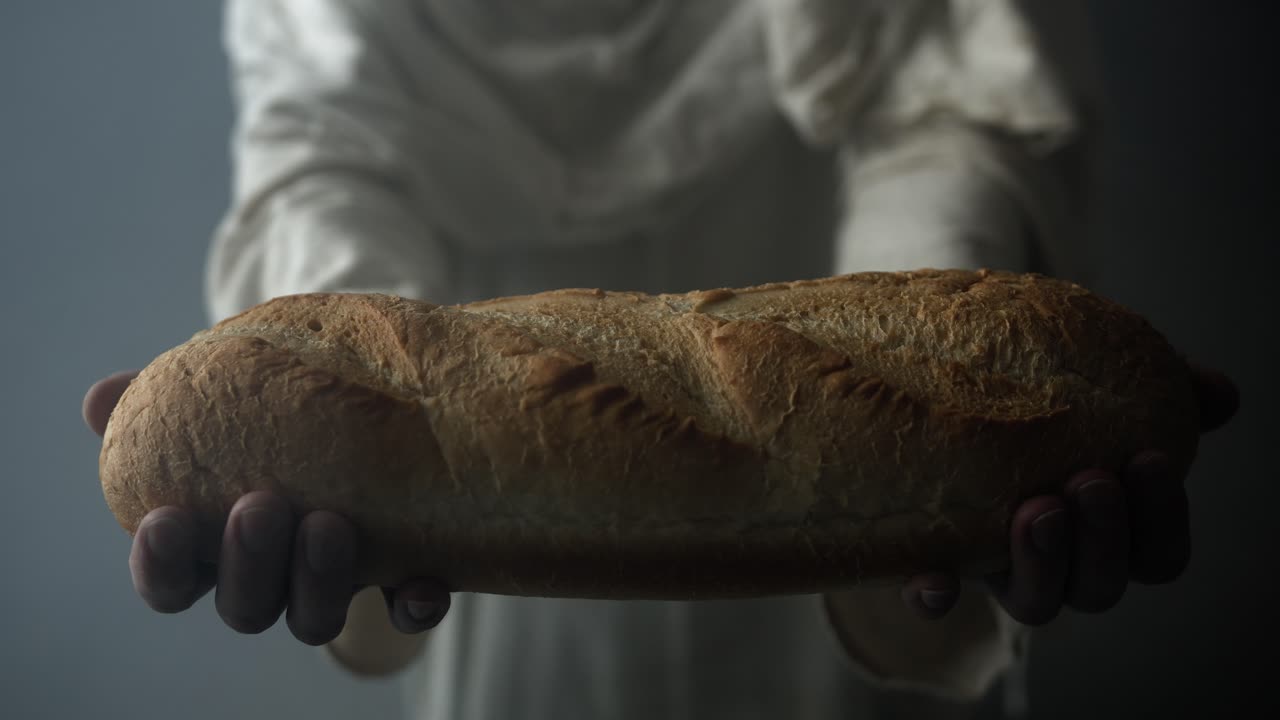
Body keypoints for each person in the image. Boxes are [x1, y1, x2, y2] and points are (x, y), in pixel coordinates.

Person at [82, 1, 1241, 718]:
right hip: (489, 569)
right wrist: (323, 421)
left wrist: (955, 441)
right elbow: (326, 140)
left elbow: (952, 100)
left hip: (866, 588)